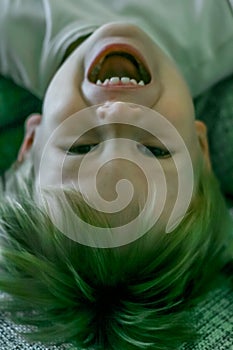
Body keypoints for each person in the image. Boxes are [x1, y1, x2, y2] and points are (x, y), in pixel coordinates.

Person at [0, 1, 233, 349]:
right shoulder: (221, 29)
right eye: (155, 149)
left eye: (81, 146)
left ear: (31, 140)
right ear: (201, 146)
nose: (119, 112)